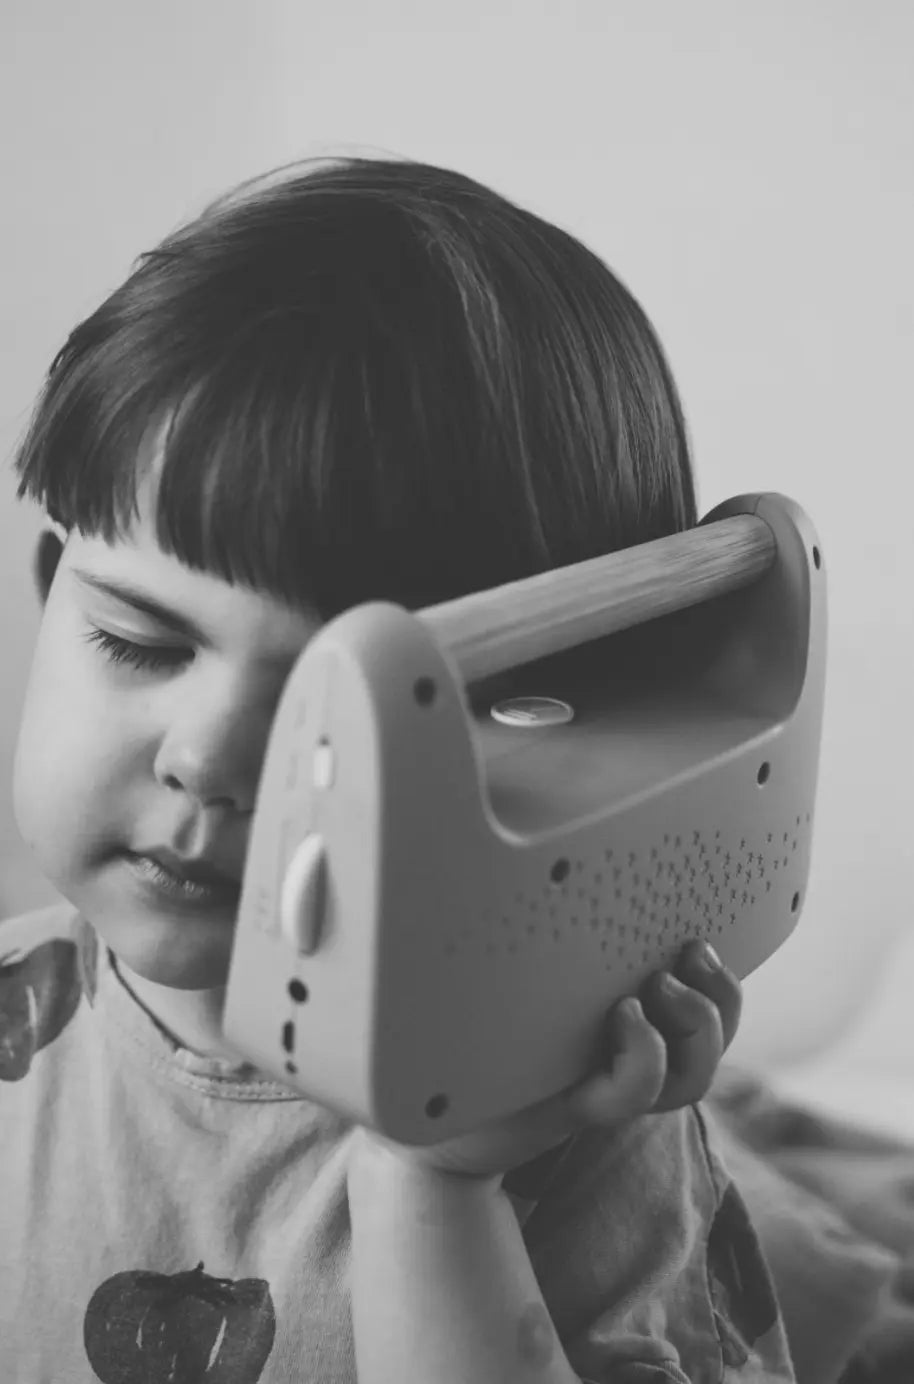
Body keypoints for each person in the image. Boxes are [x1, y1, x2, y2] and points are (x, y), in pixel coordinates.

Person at [0, 155, 798, 1383]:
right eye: (138, 641)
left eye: (340, 711)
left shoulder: (566, 1125)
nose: (206, 760)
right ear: (54, 593)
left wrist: (431, 1182)